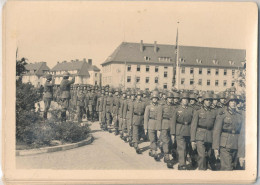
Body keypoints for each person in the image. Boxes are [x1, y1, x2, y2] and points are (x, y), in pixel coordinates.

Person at [213, 94, 245, 171]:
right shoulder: (222, 115)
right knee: (227, 168)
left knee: (233, 167)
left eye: (235, 101)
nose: (233, 103)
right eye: (231, 101)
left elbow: (242, 134)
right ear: (228, 103)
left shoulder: (240, 116)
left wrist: (241, 154)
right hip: (224, 145)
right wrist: (216, 148)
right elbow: (217, 132)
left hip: (235, 144)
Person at [190, 92, 218, 170]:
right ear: (203, 101)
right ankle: (202, 170)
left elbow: (216, 126)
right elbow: (193, 126)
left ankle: (208, 165)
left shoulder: (214, 112)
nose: (208, 101)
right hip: (200, 135)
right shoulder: (198, 112)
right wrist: (192, 140)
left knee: (209, 154)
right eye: (206, 100)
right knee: (201, 155)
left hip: (210, 135)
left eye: (209, 100)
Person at [170, 92, 194, 170]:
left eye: (187, 99)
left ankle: (186, 160)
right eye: (184, 99)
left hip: (188, 130)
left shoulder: (191, 110)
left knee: (187, 148)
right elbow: (173, 122)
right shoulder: (177, 109)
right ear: (181, 100)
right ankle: (181, 164)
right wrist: (173, 133)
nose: (185, 101)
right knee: (181, 148)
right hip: (179, 130)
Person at [158, 91, 175, 167]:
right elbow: (159, 117)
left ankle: (169, 151)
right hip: (164, 123)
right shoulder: (162, 106)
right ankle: (166, 154)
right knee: (165, 140)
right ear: (166, 98)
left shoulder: (174, 106)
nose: (170, 99)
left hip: (172, 124)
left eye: (171, 98)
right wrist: (159, 128)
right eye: (169, 98)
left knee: (171, 140)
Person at [144, 90, 161, 159]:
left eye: (156, 98)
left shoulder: (160, 107)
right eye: (153, 98)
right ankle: (155, 151)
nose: (155, 99)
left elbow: (160, 118)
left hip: (157, 124)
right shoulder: (148, 107)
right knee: (152, 139)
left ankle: (152, 149)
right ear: (151, 99)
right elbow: (146, 117)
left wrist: (159, 128)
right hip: (150, 124)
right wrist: (145, 128)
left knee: (156, 139)